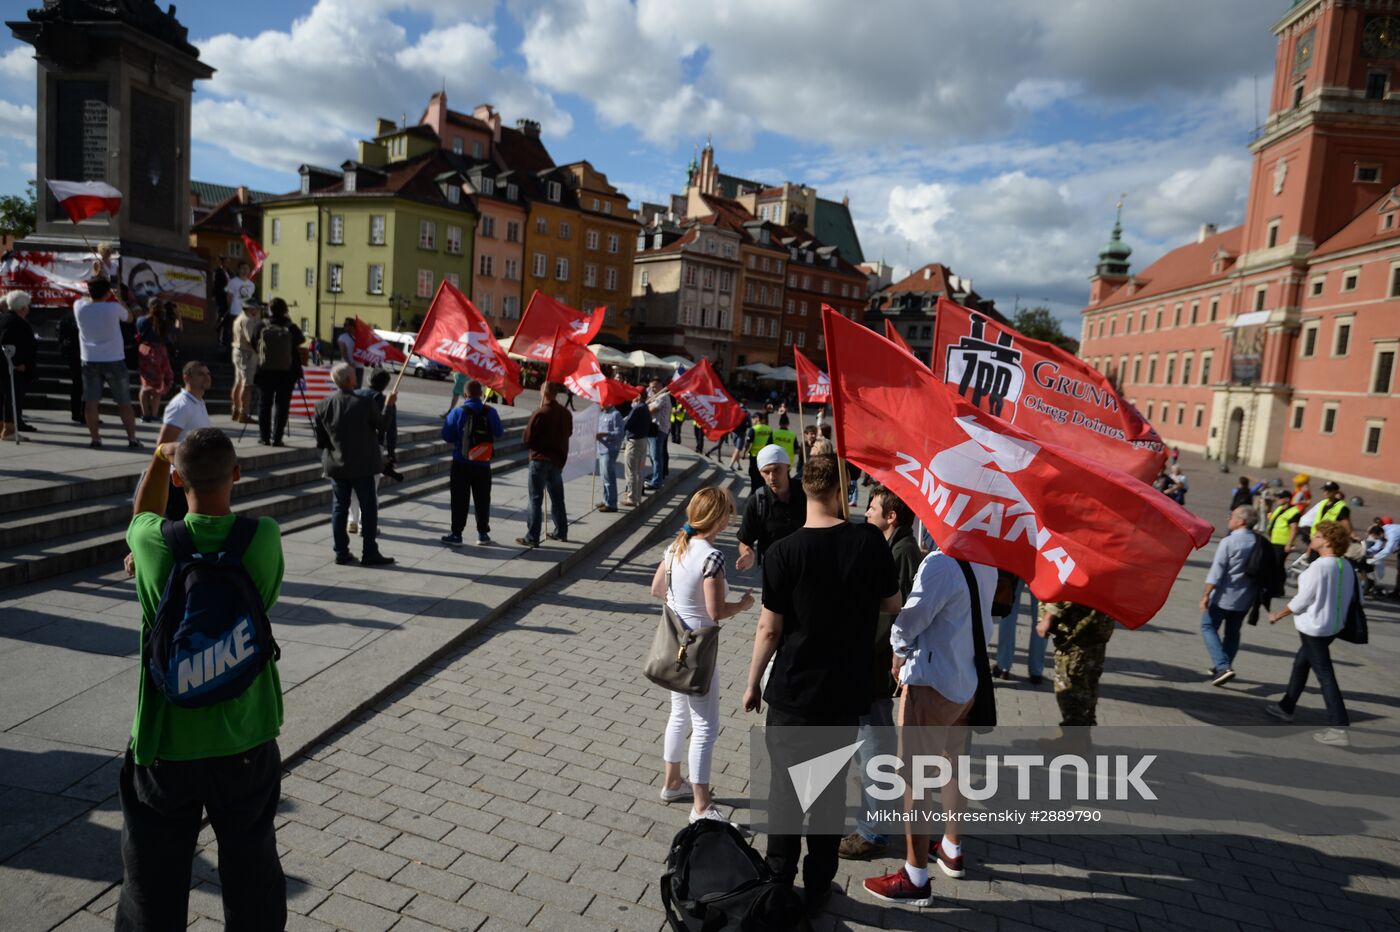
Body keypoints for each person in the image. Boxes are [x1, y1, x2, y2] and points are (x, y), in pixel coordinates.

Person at [118, 428, 286, 930]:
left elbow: (140, 514)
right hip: (247, 738)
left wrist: (159, 452)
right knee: (252, 872)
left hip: (165, 743)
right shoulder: (264, 537)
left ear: (176, 478)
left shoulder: (151, 542)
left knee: (152, 882)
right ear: (237, 474)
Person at [743, 455, 901, 915]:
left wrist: (753, 682)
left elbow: (769, 630)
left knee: (785, 792)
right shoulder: (868, 541)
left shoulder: (784, 551)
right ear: (841, 491)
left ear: (804, 490)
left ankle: (777, 880)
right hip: (842, 695)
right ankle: (817, 889)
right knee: (829, 795)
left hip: (792, 693)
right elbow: (892, 602)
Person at [860, 537, 996, 906]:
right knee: (953, 765)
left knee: (914, 779)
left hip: (932, 683)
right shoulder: (986, 559)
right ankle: (952, 846)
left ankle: (915, 874)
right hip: (966, 681)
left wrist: (898, 651)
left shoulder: (940, 563)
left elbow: (910, 619)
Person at [651, 488, 754, 824]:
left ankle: (671, 783)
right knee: (706, 726)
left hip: (674, 646)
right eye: (730, 512)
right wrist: (743, 605)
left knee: (678, 715)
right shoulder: (712, 557)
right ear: (720, 517)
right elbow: (715, 611)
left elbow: (656, 590)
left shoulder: (674, 547)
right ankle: (701, 806)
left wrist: (679, 606)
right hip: (698, 651)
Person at [840, 483, 922, 860]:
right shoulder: (893, 547)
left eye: (872, 509)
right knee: (873, 744)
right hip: (870, 664)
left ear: (890, 517)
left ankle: (873, 832)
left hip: (874, 668)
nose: (866, 513)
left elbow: (897, 616)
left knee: (874, 747)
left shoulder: (902, 552)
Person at [1266, 520, 1356, 746]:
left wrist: (1279, 613)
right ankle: (1286, 707)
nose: (1312, 539)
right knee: (1301, 663)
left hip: (1314, 627)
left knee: (1325, 674)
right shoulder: (1345, 566)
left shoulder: (1320, 566)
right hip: (1333, 626)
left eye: (1317, 536)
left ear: (1327, 541)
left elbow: (1303, 599)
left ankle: (1339, 727)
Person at [314, 362, 397, 566]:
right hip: (363, 465)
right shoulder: (365, 402)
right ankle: (369, 552)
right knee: (368, 509)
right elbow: (383, 426)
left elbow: (321, 441)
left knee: (339, 508)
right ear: (350, 380)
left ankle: (341, 551)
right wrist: (389, 405)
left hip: (336, 464)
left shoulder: (323, 405)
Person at [75, 278, 141, 449]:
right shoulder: (114, 308)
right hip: (114, 359)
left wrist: (96, 286)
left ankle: (95, 439)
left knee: (91, 402)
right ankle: (132, 439)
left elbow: (83, 297)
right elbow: (130, 318)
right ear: (107, 293)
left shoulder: (79, 307)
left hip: (89, 359)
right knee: (124, 402)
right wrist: (119, 297)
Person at [1199, 505, 1261, 686]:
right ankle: (1222, 665)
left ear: (1241, 521)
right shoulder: (1258, 541)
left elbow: (1217, 571)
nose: (1229, 519)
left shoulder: (1229, 542)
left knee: (1208, 626)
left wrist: (1206, 594)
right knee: (1233, 632)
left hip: (1224, 595)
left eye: (1232, 516)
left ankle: (1223, 666)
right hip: (1246, 597)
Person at [441, 379, 504, 545]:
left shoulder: (457, 412)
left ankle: (456, 534)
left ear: (465, 394)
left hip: (461, 462)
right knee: (482, 499)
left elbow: (446, 435)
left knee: (459, 499)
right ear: (481, 394)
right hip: (483, 463)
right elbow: (499, 432)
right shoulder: (491, 411)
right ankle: (482, 533)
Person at [1036, 601, 1117, 731]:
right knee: (1088, 683)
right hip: (1098, 624)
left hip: (1078, 628)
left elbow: (1069, 586)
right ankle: (1082, 736)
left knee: (1071, 687)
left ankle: (1072, 740)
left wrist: (1048, 617)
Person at [155, 361, 213, 521]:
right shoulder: (181, 405)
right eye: (201, 374)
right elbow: (163, 445)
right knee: (178, 525)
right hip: (178, 481)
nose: (207, 377)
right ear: (186, 378)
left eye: (208, 374)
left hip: (194, 477)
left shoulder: (199, 402)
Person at [735, 445, 807, 571]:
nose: (772, 477)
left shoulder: (807, 493)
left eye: (777, 470)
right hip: (775, 572)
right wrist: (747, 554)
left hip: (807, 568)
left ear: (788, 467)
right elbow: (746, 540)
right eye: (766, 472)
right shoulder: (757, 501)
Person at [518, 381, 572, 547]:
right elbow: (569, 432)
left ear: (543, 393)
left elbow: (527, 439)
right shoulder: (565, 413)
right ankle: (561, 531)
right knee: (557, 498)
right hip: (557, 461)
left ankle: (532, 536)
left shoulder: (541, 412)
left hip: (540, 460)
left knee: (535, 498)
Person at [349, 368, 402, 534]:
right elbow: (390, 428)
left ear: (368, 379)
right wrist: (391, 452)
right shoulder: (384, 399)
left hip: (353, 445)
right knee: (371, 488)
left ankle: (352, 520)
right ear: (385, 384)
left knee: (353, 486)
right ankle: (366, 524)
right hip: (374, 447)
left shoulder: (354, 394)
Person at [254, 298, 303, 446]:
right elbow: (300, 340)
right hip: (287, 372)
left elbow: (253, 341)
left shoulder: (262, 325)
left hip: (265, 371)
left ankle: (264, 437)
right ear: (285, 310)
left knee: (264, 404)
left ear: (270, 310)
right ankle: (277, 437)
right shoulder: (291, 327)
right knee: (282, 405)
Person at [992, 578, 1046, 684]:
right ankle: (1036, 671)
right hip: (1044, 566)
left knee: (1009, 612)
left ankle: (1003, 666)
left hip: (1018, 567)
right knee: (1041, 618)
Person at [0, 290, 37, 439]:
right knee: (11, 397)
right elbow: (13, 343)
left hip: (4, 365)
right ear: (23, 308)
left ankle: (3, 426)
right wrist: (18, 363)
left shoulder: (3, 319)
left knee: (3, 396)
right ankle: (9, 428)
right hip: (11, 366)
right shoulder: (18, 324)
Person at [135, 298, 175, 424]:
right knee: (157, 386)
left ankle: (145, 415)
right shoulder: (164, 322)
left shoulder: (141, 320)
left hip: (144, 351)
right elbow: (173, 334)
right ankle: (154, 414)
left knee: (145, 385)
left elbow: (138, 333)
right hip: (159, 352)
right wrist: (177, 316)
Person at [230, 300, 262, 425]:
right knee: (247, 385)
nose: (258, 311)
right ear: (250, 308)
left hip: (238, 351)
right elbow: (251, 340)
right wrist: (260, 351)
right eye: (256, 308)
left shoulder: (239, 317)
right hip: (246, 353)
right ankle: (244, 413)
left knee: (238, 382)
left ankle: (236, 410)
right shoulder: (248, 320)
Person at [620, 396, 651, 507]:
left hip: (634, 442)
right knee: (638, 471)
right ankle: (637, 497)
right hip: (643, 440)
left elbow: (626, 424)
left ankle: (632, 498)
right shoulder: (646, 407)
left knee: (631, 471)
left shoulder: (637, 408)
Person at [1265, 492, 1302, 578]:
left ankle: (1277, 583)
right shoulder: (1280, 508)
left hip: (1282, 543)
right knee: (1274, 563)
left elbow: (1294, 529)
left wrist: (1289, 544)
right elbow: (1272, 519)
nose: (1278, 499)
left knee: (1277, 565)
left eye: (1280, 498)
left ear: (1287, 499)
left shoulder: (1294, 511)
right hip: (1274, 540)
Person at [57, 303, 84, 423]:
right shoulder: (77, 318)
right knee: (81, 385)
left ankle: (77, 412)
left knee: (77, 385)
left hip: (72, 354)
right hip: (79, 353)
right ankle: (81, 413)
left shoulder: (66, 317)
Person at [596, 401, 624, 513]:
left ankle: (612, 503)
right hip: (601, 448)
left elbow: (620, 434)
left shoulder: (615, 414)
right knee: (604, 476)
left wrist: (605, 434)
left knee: (609, 476)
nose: (600, 404)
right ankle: (606, 499)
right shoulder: (602, 414)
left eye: (602, 402)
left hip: (610, 449)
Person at [645, 379, 672, 489]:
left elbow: (651, 410)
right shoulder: (655, 396)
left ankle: (657, 481)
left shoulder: (663, 397)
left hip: (659, 429)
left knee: (656, 456)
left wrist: (644, 404)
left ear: (661, 386)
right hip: (653, 428)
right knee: (653, 455)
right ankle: (657, 474)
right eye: (651, 387)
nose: (652, 389)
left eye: (655, 387)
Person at [1367, 517, 1400, 598]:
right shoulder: (1381, 530)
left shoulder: (1392, 534)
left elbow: (1387, 550)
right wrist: (1366, 552)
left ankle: (1397, 592)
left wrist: (1373, 559)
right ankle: (1397, 592)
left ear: (1380, 534)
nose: (1375, 539)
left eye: (1375, 537)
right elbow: (1377, 547)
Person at [224, 259, 253, 342]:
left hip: (246, 314)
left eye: (246, 268)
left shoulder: (251, 285)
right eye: (242, 268)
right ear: (239, 270)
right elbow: (229, 297)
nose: (244, 271)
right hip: (235, 312)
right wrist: (229, 309)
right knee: (234, 334)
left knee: (245, 335)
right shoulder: (233, 282)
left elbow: (250, 300)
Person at [746, 410, 773, 493]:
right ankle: (762, 491)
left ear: (757, 419)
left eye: (753, 419)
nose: (752, 421)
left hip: (754, 456)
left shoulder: (754, 429)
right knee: (762, 475)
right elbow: (771, 442)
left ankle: (754, 492)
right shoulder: (769, 429)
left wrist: (745, 452)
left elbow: (748, 443)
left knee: (753, 475)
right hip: (764, 456)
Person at [336, 317, 363, 388]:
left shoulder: (360, 337)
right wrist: (350, 363)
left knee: (357, 389)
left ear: (352, 326)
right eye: (344, 324)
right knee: (346, 387)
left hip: (359, 366)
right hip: (347, 366)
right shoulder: (342, 337)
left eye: (346, 324)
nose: (344, 326)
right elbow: (343, 353)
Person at [212, 256, 231, 349]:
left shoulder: (230, 273)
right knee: (220, 320)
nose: (227, 264)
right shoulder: (218, 273)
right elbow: (217, 287)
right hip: (221, 300)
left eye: (228, 262)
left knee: (227, 322)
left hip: (229, 301)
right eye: (226, 262)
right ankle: (216, 338)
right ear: (222, 262)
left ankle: (224, 341)